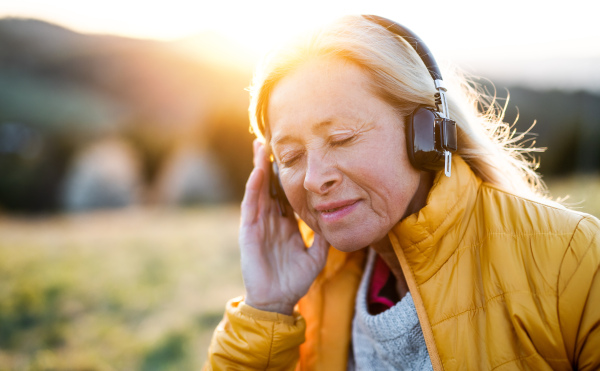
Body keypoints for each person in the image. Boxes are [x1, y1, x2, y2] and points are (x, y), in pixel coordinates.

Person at [204, 14, 600, 370]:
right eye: (290, 156)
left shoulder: (574, 262)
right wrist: (268, 311)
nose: (313, 179)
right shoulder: (308, 292)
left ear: (426, 134)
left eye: (341, 138)